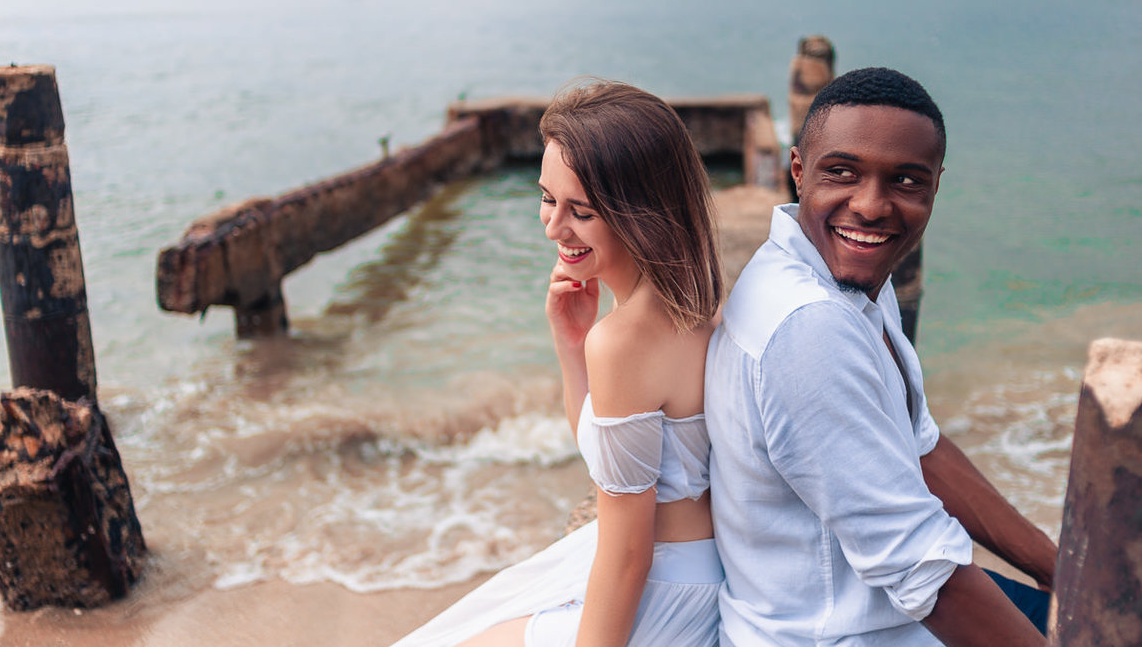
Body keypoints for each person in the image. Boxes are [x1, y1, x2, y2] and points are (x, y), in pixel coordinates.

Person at [705, 66, 1058, 646]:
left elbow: (922, 449)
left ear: (936, 186)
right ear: (798, 171)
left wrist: (1060, 570)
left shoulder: (849, 278)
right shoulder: (808, 329)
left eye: (905, 181)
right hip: (844, 631)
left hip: (877, 609)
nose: (871, 207)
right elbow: (919, 569)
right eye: (841, 172)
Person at [391, 80, 726, 647]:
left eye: (582, 211)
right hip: (694, 574)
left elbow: (626, 556)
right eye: (548, 198)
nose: (553, 226)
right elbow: (616, 464)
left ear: (641, 213)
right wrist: (572, 343)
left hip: (656, 594)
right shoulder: (690, 306)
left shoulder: (626, 338)